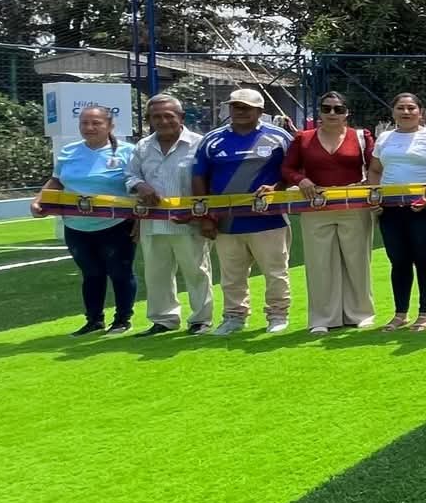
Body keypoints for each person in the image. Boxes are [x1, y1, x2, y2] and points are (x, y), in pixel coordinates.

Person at [191, 87, 294, 335]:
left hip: (269, 220)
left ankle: (277, 315)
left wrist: (278, 188)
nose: (240, 111)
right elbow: (198, 177)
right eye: (235, 106)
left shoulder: (279, 137)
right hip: (226, 222)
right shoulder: (212, 139)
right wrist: (205, 217)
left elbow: (294, 170)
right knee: (231, 275)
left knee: (276, 272)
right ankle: (234, 317)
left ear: (260, 111)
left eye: (246, 107)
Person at [32, 103, 138, 336]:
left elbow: (137, 186)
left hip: (116, 225)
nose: (89, 127)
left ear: (110, 125)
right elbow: (56, 181)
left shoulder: (128, 152)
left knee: (120, 273)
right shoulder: (69, 151)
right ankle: (94, 321)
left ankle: (122, 320)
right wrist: (39, 199)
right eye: (84, 123)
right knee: (91, 274)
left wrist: (139, 220)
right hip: (76, 225)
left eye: (96, 123)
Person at [282, 91, 377, 335]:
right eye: (327, 108)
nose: (332, 113)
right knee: (319, 263)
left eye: (338, 109)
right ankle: (322, 318)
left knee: (357, 262)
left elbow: (375, 167)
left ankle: (361, 313)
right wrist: (301, 180)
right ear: (320, 111)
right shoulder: (303, 138)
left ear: (347, 113)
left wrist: (368, 186)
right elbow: (288, 168)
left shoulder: (361, 136)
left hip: (354, 206)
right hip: (315, 207)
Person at [126, 93, 214, 335]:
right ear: (149, 120)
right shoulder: (143, 146)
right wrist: (140, 185)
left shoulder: (200, 144)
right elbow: (130, 175)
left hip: (189, 221)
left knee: (196, 272)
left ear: (181, 117)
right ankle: (163, 320)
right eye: (157, 117)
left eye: (169, 116)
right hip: (152, 222)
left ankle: (201, 320)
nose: (163, 121)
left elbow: (210, 180)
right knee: (157, 274)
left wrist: (205, 217)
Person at [369, 93, 426, 330]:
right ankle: (400, 314)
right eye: (401, 108)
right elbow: (374, 170)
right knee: (399, 261)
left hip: (422, 209)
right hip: (390, 210)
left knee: (424, 259)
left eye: (411, 108)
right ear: (393, 111)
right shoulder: (385, 137)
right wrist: (375, 195)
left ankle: (425, 313)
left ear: (420, 112)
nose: (406, 112)